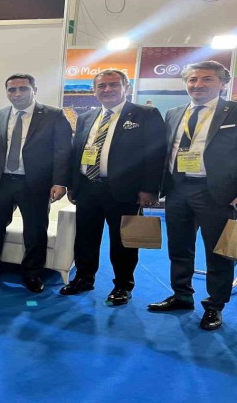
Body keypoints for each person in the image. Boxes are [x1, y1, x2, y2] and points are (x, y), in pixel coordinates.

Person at [61, 69, 166, 305]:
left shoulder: (145, 114)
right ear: (94, 91)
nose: (107, 90)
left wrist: (149, 189)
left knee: (123, 241)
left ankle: (123, 285)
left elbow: (156, 154)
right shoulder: (87, 117)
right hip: (88, 187)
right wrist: (73, 185)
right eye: (101, 86)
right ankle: (84, 278)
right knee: (85, 237)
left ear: (126, 87)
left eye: (113, 85)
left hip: (125, 190)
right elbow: (77, 152)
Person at [149, 60, 237, 331]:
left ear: (222, 83)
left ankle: (214, 306)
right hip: (177, 190)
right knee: (179, 247)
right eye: (192, 80)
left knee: (219, 253)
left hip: (217, 193)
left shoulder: (233, 112)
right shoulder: (174, 113)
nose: (198, 85)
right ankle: (182, 295)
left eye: (206, 79)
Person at [0, 73, 72, 293]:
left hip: (35, 183)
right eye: (12, 89)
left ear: (34, 90)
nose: (17, 93)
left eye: (23, 88)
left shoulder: (53, 115)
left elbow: (62, 152)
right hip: (1, 183)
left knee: (35, 231)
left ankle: (32, 273)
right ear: (7, 92)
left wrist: (60, 182)